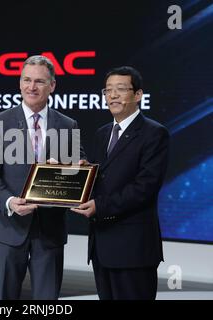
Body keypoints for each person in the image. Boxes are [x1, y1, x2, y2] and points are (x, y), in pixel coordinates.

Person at [0, 55, 85, 300]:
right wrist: (9, 202)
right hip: (7, 227)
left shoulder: (68, 125)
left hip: (49, 231)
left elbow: (79, 168)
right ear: (19, 83)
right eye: (26, 80)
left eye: (39, 81)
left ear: (52, 85)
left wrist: (75, 169)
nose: (31, 87)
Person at [72, 66, 169, 300]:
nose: (112, 95)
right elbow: (103, 177)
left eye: (121, 89)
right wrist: (85, 173)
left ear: (137, 95)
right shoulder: (102, 133)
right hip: (101, 245)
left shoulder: (154, 133)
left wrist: (100, 206)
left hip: (133, 249)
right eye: (108, 90)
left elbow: (145, 187)